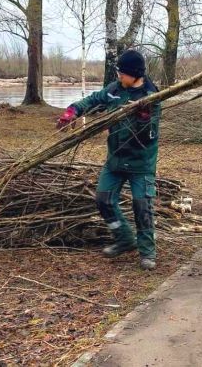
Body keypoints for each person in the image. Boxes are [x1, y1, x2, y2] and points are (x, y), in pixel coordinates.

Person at [56, 50, 161, 270]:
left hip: (140, 163)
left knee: (142, 205)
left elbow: (148, 135)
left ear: (134, 74)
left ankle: (147, 252)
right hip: (115, 160)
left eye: (122, 73)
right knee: (103, 200)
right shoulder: (115, 90)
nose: (119, 76)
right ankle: (124, 238)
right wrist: (73, 111)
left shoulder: (151, 96)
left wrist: (143, 119)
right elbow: (93, 100)